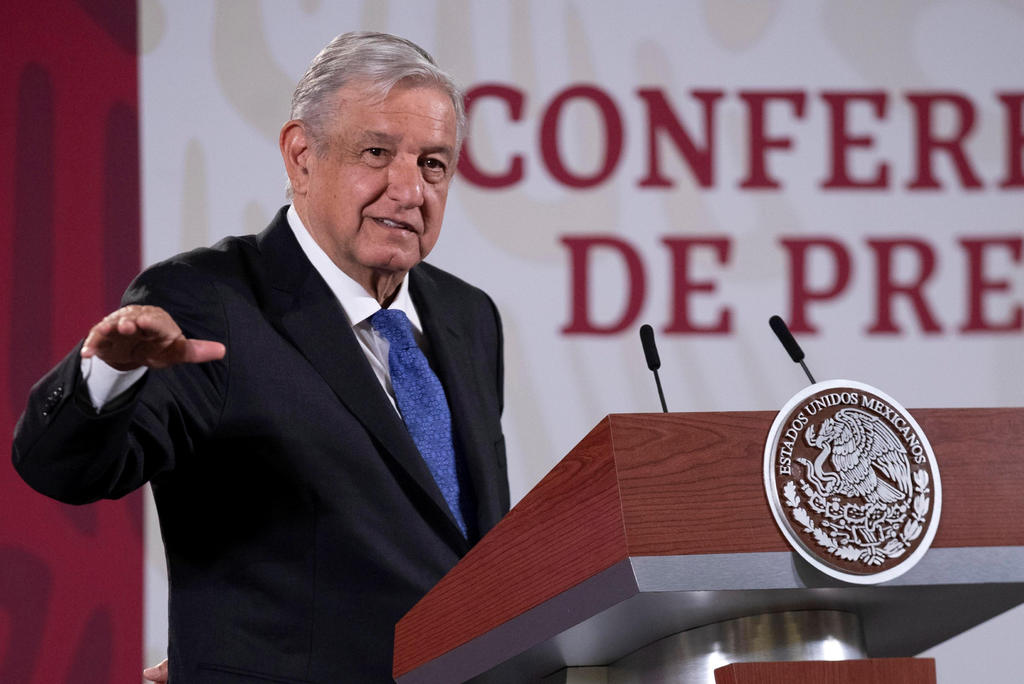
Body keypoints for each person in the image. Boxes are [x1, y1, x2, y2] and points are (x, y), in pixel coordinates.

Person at [13, 31, 509, 682]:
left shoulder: (469, 316)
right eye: (377, 152)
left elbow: (454, 544)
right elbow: (68, 469)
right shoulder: (206, 301)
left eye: (433, 164)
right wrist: (110, 372)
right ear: (302, 155)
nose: (410, 189)